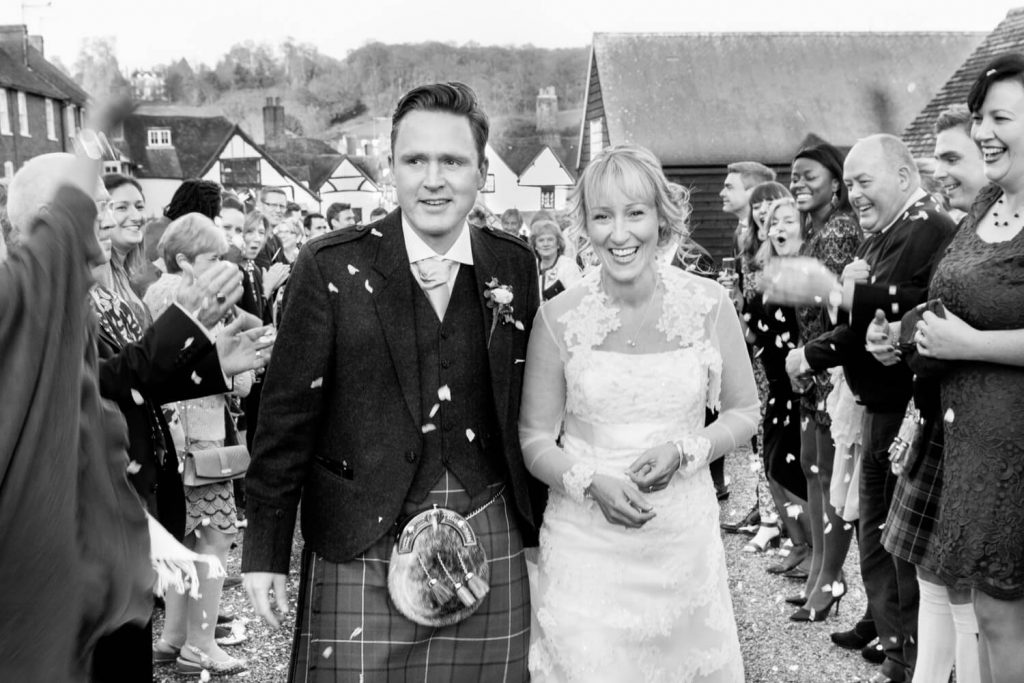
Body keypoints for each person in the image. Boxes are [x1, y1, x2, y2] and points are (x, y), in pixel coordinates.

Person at [243, 82, 542, 681]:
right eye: (415, 160)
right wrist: (265, 549)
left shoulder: (514, 263)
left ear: (482, 171)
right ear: (391, 169)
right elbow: (285, 418)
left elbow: (528, 403)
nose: (434, 179)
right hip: (361, 537)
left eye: (453, 161)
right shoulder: (328, 264)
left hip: (489, 525)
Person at [520, 144, 757, 681]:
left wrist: (685, 449)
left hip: (681, 542)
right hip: (586, 547)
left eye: (635, 213)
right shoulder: (557, 317)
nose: (619, 234)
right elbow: (535, 439)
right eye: (602, 216)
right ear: (585, 225)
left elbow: (744, 411)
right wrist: (588, 481)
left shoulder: (708, 304)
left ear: (661, 218)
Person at [766, 134, 956, 683]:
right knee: (876, 533)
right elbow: (855, 322)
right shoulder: (887, 232)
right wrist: (837, 304)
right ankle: (895, 646)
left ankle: (906, 655)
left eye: (863, 181)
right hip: (875, 404)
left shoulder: (927, 229)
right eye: (850, 183)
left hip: (902, 407)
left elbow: (908, 302)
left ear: (902, 176)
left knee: (895, 542)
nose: (855, 194)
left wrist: (833, 303)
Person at [911, 55, 1024, 682]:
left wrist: (968, 345)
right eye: (979, 116)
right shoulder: (985, 201)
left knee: (1005, 614)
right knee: (983, 607)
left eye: (1000, 117)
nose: (983, 131)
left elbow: (967, 331)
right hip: (969, 445)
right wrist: (906, 333)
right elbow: (946, 297)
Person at [867, 104, 984, 683]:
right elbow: (933, 310)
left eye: (951, 157)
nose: (938, 170)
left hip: (979, 428)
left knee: (968, 596)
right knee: (934, 574)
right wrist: (898, 334)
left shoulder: (960, 231)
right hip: (937, 418)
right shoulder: (963, 229)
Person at [147, 214, 252, 676]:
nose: (222, 266)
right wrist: (243, 367)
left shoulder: (152, 296)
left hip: (167, 441)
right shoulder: (203, 302)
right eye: (214, 258)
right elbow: (237, 376)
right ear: (187, 262)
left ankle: (173, 637)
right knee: (215, 540)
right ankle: (202, 643)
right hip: (204, 440)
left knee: (179, 541)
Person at [786, 143, 864, 623]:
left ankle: (831, 576)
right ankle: (819, 570)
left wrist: (814, 363)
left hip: (830, 370)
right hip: (811, 369)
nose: (797, 183)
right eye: (792, 175)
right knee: (815, 470)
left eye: (808, 175)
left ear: (835, 183)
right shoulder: (816, 230)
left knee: (830, 476)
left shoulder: (837, 232)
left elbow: (839, 310)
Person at [531, 217, 582, 300]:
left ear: (558, 244)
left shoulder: (568, 265)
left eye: (550, 239)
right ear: (535, 246)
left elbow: (576, 299)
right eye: (541, 240)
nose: (545, 244)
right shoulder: (531, 267)